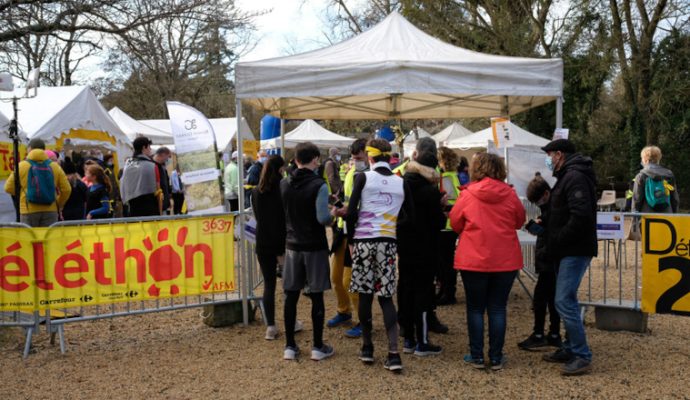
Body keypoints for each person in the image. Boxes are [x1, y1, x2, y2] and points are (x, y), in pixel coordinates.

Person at [338, 138, 411, 372]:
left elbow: (350, 214)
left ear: (370, 157)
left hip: (363, 242)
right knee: (386, 297)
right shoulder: (401, 182)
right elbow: (410, 217)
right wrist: (391, 225)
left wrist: (351, 241)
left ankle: (367, 348)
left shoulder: (363, 178)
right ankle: (393, 353)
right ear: (389, 157)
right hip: (387, 244)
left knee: (365, 295)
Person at [450, 152, 526, 371]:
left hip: (473, 258)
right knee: (497, 308)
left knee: (475, 309)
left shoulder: (468, 194)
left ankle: (476, 356)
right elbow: (519, 221)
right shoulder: (510, 194)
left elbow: (455, 222)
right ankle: (495, 357)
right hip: (505, 259)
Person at [540, 138, 597, 376]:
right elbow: (564, 210)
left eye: (550, 155)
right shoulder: (568, 175)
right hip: (567, 248)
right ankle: (570, 347)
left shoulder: (574, 177)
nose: (548, 159)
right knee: (564, 299)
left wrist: (559, 237)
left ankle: (582, 355)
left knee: (564, 300)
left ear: (559, 154)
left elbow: (580, 215)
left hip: (574, 249)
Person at [280, 142, 334, 361]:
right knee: (317, 296)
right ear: (314, 159)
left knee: (290, 296)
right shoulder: (319, 185)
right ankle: (317, 346)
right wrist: (335, 214)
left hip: (292, 245)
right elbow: (323, 218)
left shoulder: (285, 183)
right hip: (314, 246)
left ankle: (290, 346)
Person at [397, 138, 447, 358]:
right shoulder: (429, 191)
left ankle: (407, 337)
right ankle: (423, 341)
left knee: (406, 289)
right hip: (425, 247)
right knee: (423, 293)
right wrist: (442, 208)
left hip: (405, 245)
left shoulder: (402, 183)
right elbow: (438, 223)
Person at [326, 139, 367, 339]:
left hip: (357, 234)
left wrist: (348, 212)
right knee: (335, 277)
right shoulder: (352, 172)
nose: (355, 160)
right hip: (342, 232)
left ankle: (363, 320)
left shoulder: (368, 175)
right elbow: (347, 196)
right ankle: (344, 311)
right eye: (353, 157)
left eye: (358, 157)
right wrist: (338, 205)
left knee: (350, 279)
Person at [517, 175, 562, 351]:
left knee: (541, 297)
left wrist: (540, 229)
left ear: (545, 193)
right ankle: (554, 333)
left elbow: (550, 232)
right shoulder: (553, 206)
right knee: (552, 298)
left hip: (548, 258)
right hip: (551, 258)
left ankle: (539, 334)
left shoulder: (552, 209)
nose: (537, 204)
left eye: (537, 201)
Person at [252, 155, 287, 340]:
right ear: (280, 168)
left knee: (269, 285)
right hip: (281, 242)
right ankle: (291, 321)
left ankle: (271, 326)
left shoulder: (257, 191)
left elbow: (258, 217)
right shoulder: (283, 187)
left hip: (263, 241)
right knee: (289, 285)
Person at [4, 138, 71, 227]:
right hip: (50, 210)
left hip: (28, 210)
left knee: (29, 239)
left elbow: (8, 188)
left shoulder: (22, 166)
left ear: (30, 148)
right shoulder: (55, 166)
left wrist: (24, 194)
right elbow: (67, 189)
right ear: (44, 149)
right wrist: (58, 203)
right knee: (48, 239)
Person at [436, 146, 462, 305]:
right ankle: (445, 291)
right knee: (445, 261)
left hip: (445, 225)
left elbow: (451, 203)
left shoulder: (445, 178)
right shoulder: (452, 176)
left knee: (445, 262)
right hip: (450, 225)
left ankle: (448, 293)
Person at [120, 136, 161, 217]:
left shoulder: (129, 163)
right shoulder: (152, 166)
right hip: (150, 206)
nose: (150, 149)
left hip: (132, 206)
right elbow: (158, 188)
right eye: (149, 146)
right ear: (144, 147)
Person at [632, 145, 679, 213]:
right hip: (667, 217)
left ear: (645, 159)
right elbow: (675, 199)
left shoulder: (641, 176)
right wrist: (674, 215)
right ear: (658, 158)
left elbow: (637, 200)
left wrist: (634, 221)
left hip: (647, 218)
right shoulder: (669, 175)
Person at [153, 147, 172, 215]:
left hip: (164, 204)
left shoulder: (162, 167)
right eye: (168, 157)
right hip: (157, 204)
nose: (167, 160)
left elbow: (166, 184)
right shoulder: (152, 166)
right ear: (163, 155)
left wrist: (168, 201)